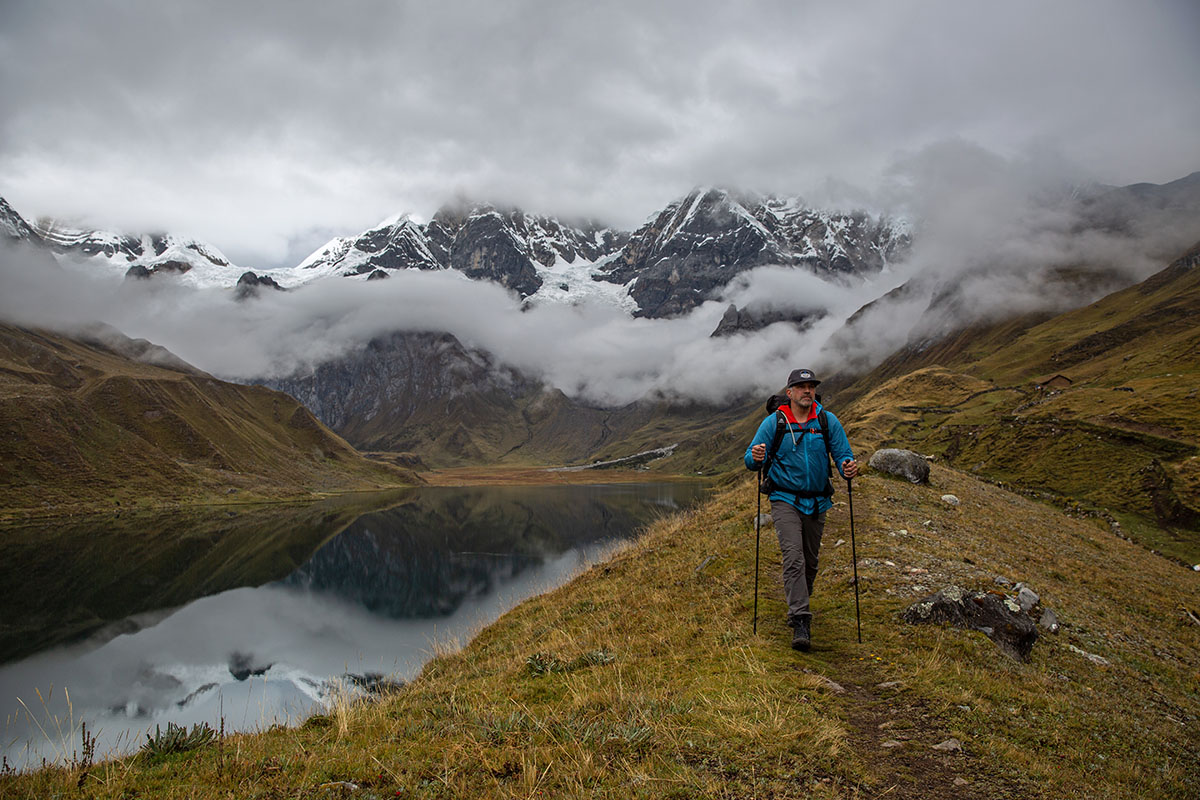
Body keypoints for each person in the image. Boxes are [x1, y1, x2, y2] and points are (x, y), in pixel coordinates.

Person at [745, 368, 859, 651]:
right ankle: (800, 620)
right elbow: (751, 458)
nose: (807, 391)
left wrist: (848, 467)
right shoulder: (775, 423)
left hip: (818, 500)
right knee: (793, 557)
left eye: (811, 386)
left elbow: (843, 453)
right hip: (784, 498)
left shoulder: (826, 420)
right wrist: (755, 457)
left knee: (810, 562)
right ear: (790, 392)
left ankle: (798, 604)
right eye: (801, 386)